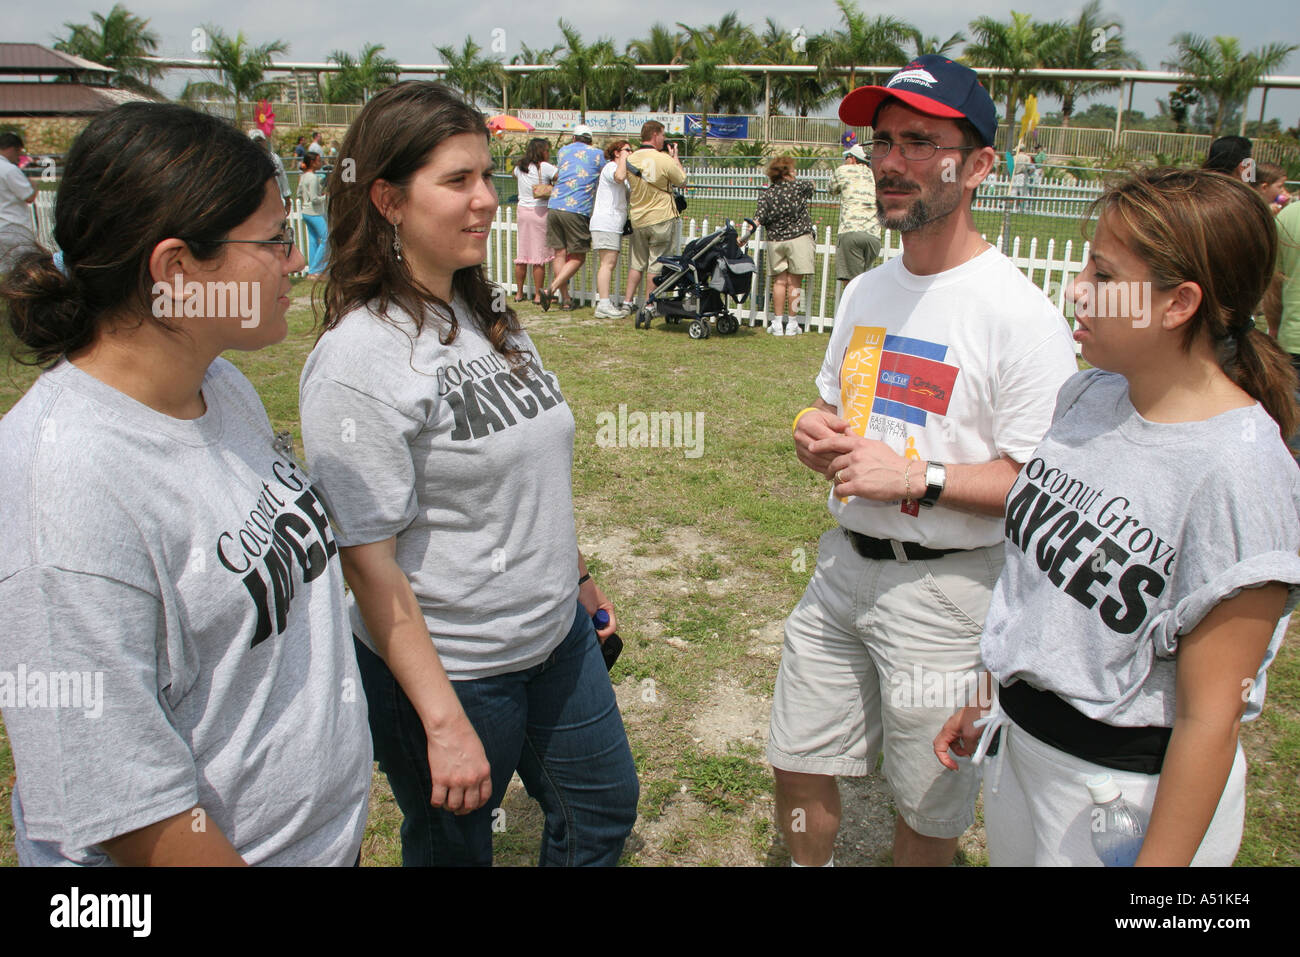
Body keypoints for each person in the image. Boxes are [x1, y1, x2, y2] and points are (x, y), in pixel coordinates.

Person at [0, 102, 371, 866]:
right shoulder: (64, 489)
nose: (296, 263)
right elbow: (135, 811)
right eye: (274, 240)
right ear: (176, 269)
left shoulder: (217, 382)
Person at [298, 81, 639, 867]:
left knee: (601, 812)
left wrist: (580, 581)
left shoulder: (484, 313)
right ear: (386, 199)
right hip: (453, 670)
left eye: (488, 176)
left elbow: (534, 472)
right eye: (458, 181)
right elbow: (367, 560)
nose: (487, 199)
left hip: (556, 637)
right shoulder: (358, 361)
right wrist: (443, 720)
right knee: (455, 854)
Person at [935, 168, 1300, 866]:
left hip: (1125, 798)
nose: (1077, 288)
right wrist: (992, 691)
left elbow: (1208, 718)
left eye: (1103, 275)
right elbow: (1038, 585)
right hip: (1027, 760)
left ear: (1179, 303)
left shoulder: (1240, 472)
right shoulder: (1088, 395)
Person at [770, 55, 1078, 867]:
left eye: (918, 142)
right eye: (881, 142)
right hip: (841, 566)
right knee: (796, 758)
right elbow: (841, 411)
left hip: (948, 593)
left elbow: (1042, 489)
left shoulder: (1020, 316)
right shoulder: (868, 290)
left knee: (927, 804)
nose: (891, 163)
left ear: (978, 165)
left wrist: (917, 477)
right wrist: (816, 429)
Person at [540, 124, 605, 311]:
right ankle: (550, 289)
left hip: (554, 205)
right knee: (578, 256)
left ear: (574, 138)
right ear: (590, 140)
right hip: (577, 208)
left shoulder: (563, 151)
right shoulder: (597, 154)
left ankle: (566, 299)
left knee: (559, 253)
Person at [622, 120, 685, 315]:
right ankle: (649, 304)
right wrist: (675, 158)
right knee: (655, 263)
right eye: (663, 135)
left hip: (638, 216)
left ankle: (627, 301)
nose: (664, 139)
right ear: (655, 135)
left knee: (637, 262)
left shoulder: (631, 159)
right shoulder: (663, 159)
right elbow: (681, 180)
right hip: (660, 216)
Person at [755, 155, 815, 336]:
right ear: (787, 172)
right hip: (799, 239)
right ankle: (793, 323)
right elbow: (811, 186)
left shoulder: (767, 193)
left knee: (779, 282)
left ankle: (778, 322)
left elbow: (759, 218)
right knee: (795, 283)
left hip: (776, 241)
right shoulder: (798, 187)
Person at [828, 143, 882, 289]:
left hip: (850, 232)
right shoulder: (876, 174)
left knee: (852, 285)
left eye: (847, 157)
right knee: (863, 281)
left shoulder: (843, 171)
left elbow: (832, 189)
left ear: (853, 159)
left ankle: (852, 311)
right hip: (873, 237)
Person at [590, 139, 632, 319]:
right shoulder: (610, 168)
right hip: (606, 222)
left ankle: (605, 302)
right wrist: (623, 159)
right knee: (607, 263)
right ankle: (604, 303)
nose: (631, 153)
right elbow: (619, 177)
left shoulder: (622, 170)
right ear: (617, 153)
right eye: (627, 150)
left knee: (610, 263)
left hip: (614, 224)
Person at [511, 137, 556, 304]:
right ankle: (538, 294)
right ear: (541, 151)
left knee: (523, 253)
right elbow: (560, 176)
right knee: (538, 256)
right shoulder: (544, 167)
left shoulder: (519, 167)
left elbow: (516, 178)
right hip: (540, 210)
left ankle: (519, 293)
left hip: (523, 210)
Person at [0, 131, 38, 274]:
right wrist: (34, 186)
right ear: (12, 148)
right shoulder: (9, 169)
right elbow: (28, 196)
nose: (18, 158)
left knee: (4, 271)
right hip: (14, 226)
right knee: (25, 268)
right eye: (18, 153)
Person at [298, 151, 329, 278]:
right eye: (319, 160)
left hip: (305, 212)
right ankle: (317, 269)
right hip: (314, 212)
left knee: (313, 240)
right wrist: (326, 197)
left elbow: (299, 193)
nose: (321, 162)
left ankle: (313, 269)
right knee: (327, 237)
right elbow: (315, 199)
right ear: (312, 162)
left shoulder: (303, 176)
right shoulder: (314, 178)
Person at [250, 128, 292, 215]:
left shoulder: (274, 158)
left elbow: (283, 178)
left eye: (260, 140)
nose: (258, 144)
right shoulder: (247, 161)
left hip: (276, 201)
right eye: (255, 141)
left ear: (265, 142)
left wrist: (287, 199)